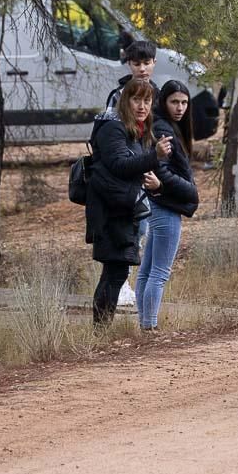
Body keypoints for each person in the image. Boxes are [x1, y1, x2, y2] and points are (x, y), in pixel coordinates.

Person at [86, 79, 172, 326]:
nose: (142, 106)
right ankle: (99, 333)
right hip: (111, 211)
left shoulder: (134, 129)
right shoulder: (113, 128)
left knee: (117, 270)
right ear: (125, 101)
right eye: (137, 100)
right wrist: (153, 156)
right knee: (114, 271)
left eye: (147, 101)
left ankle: (101, 333)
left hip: (124, 210)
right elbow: (120, 166)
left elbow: (132, 168)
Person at [135, 80, 199, 331]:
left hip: (161, 203)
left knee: (148, 269)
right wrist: (190, 191)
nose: (180, 107)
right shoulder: (164, 129)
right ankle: (149, 327)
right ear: (164, 102)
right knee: (159, 272)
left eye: (184, 102)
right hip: (165, 206)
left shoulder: (165, 125)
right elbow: (160, 169)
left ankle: (144, 325)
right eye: (174, 102)